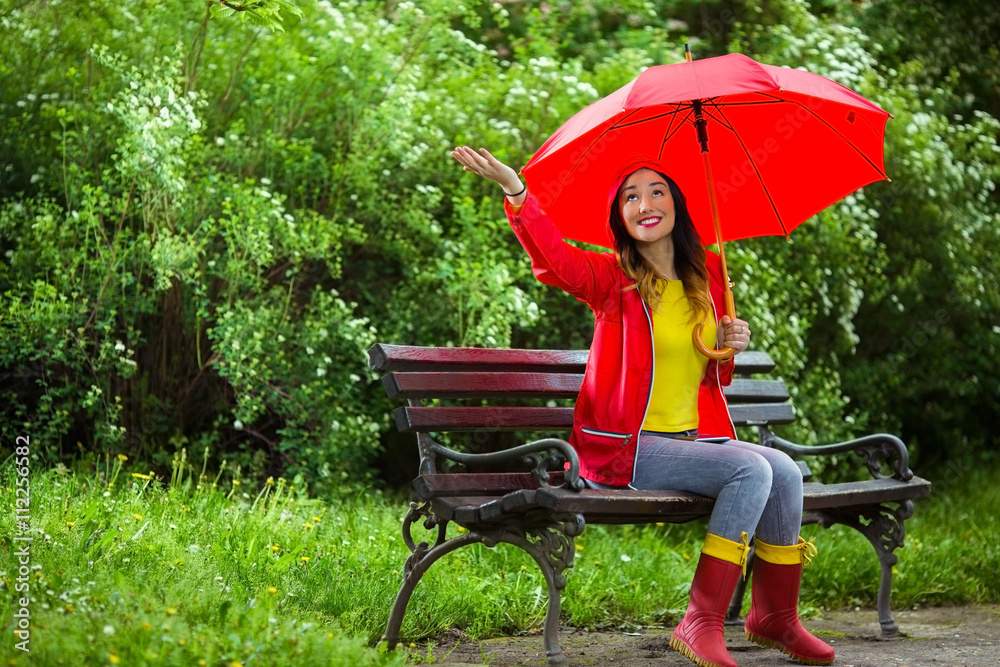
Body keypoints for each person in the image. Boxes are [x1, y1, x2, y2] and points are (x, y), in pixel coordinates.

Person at [450, 145, 836, 667]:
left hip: (693, 441)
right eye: (630, 196)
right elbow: (554, 259)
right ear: (620, 217)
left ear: (675, 204)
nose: (644, 203)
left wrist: (730, 344)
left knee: (785, 472)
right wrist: (516, 191)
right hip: (629, 450)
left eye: (656, 191)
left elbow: (713, 378)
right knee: (749, 470)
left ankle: (775, 618)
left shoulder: (710, 276)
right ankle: (700, 622)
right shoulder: (611, 281)